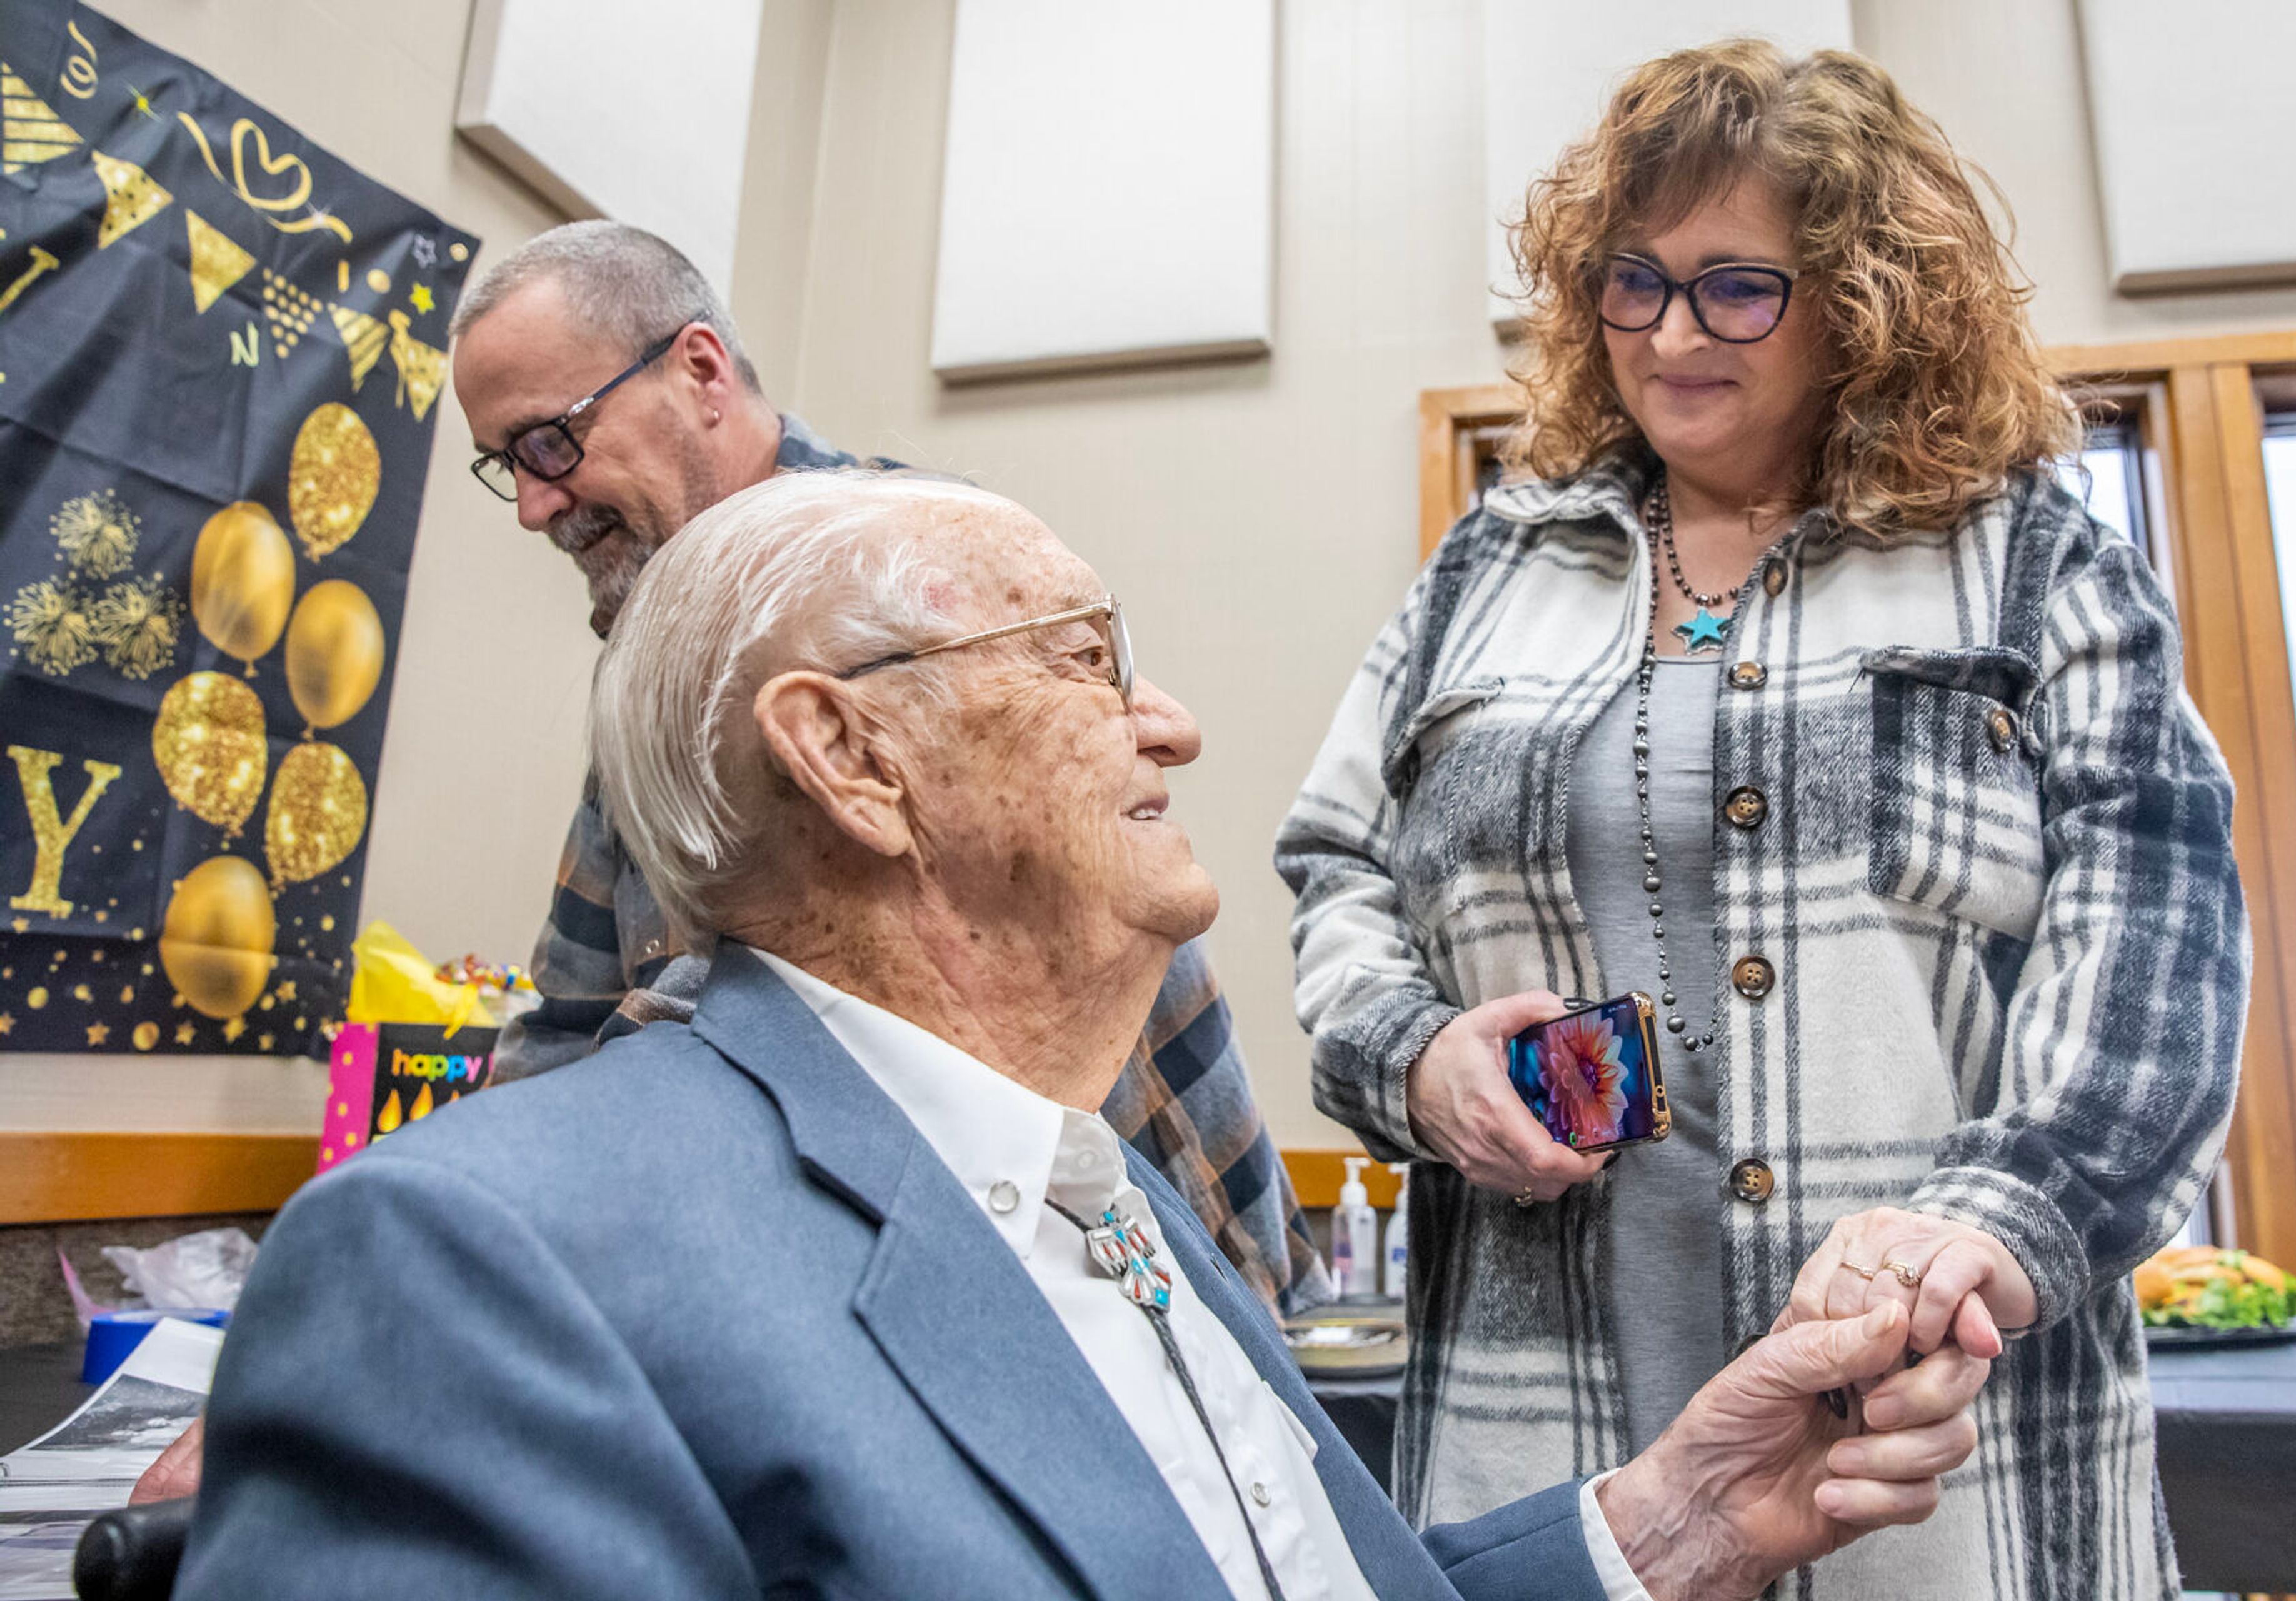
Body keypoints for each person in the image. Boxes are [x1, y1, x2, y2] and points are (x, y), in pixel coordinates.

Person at [176, 471, 1992, 1600]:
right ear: (855, 758)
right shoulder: (473, 1261)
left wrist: (1669, 1523)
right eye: (1086, 659)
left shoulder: (1108, 1189)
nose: (1174, 724)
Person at [124, 222, 1317, 1513]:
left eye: (548, 442)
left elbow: (820, 1016)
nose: (532, 502)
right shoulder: (674, 647)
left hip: (1134, 1281)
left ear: (700, 370)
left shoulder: (913, 581)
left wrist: (364, 1310)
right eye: (504, 466)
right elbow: (573, 1026)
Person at [1276, 41, 2245, 1600]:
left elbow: (2154, 1000)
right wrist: (1415, 1059)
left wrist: (1970, 1242)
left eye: (1738, 288)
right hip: (1547, 1462)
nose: (1671, 333)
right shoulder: (1487, 568)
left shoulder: (2034, 567)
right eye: (1632, 281)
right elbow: (1335, 872)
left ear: (1862, 303)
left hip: (1934, 1457)